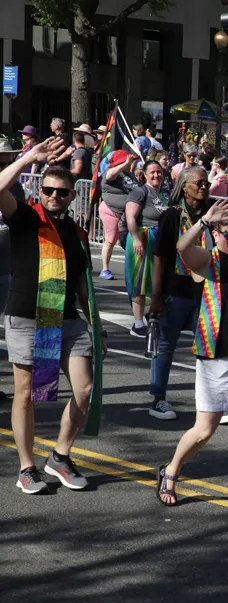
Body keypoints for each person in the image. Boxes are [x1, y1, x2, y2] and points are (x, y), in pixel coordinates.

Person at [0, 137, 107, 494]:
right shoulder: (26, 217)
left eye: (62, 192)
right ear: (39, 190)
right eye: (48, 190)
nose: (54, 196)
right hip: (26, 317)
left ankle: (60, 456)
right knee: (25, 394)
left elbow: (83, 288)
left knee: (85, 389)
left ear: (73, 195)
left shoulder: (76, 233)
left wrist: (97, 328)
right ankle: (27, 467)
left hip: (68, 319)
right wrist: (29, 157)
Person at [156, 203, 228, 516]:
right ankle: (171, 470)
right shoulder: (208, 261)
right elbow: (182, 247)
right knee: (205, 429)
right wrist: (205, 221)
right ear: (216, 235)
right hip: (217, 356)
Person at [148, 167, 214, 420]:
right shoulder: (171, 216)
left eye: (206, 183)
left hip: (205, 292)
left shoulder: (211, 213)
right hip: (175, 291)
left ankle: (211, 401)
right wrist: (156, 297)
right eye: (198, 182)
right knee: (165, 346)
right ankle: (158, 399)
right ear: (184, 186)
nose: (204, 186)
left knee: (208, 347)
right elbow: (160, 257)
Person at [124, 159, 170, 337]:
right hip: (143, 238)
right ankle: (137, 324)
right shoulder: (139, 192)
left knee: (158, 280)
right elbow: (130, 217)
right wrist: (136, 238)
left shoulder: (164, 194)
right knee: (140, 281)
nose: (156, 175)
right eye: (152, 172)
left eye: (159, 172)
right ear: (144, 174)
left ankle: (152, 316)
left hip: (160, 239)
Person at [98, 150, 141, 280]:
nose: (131, 163)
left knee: (130, 241)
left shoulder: (129, 174)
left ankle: (135, 269)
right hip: (111, 211)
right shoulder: (110, 172)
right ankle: (105, 269)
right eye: (129, 161)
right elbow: (109, 175)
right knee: (110, 240)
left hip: (127, 215)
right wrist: (124, 164)